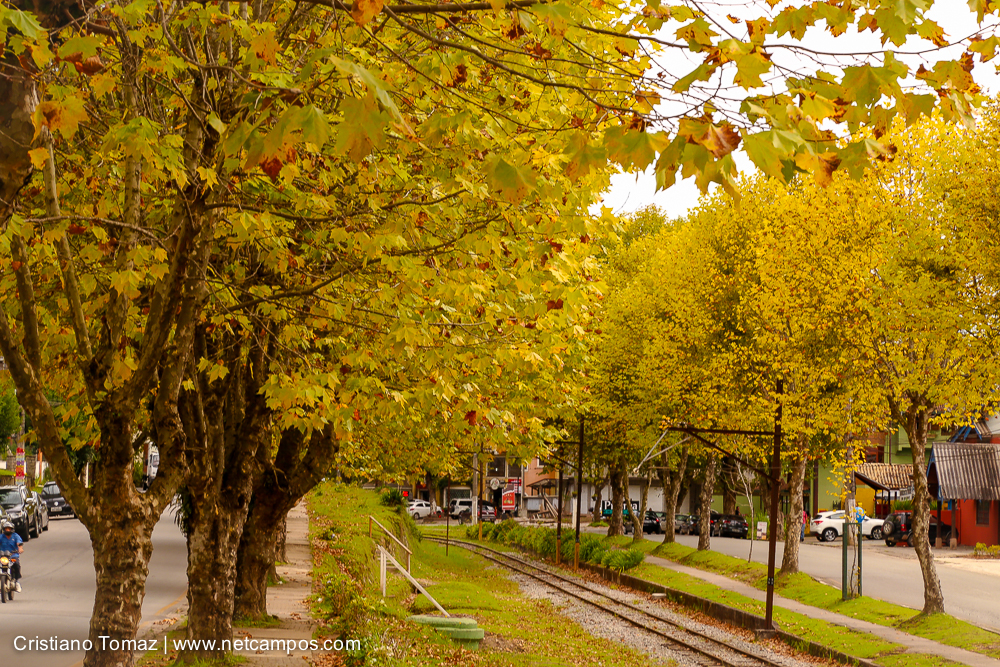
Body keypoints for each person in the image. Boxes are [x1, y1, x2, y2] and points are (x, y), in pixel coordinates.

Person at [0, 520, 23, 592]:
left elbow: (19, 544)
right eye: (6, 528)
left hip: (13, 556)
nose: (7, 530)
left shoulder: (15, 536)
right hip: (2, 556)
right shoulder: (1, 536)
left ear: (12, 529)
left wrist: (20, 548)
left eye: (9, 528)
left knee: (16, 564)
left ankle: (16, 581)